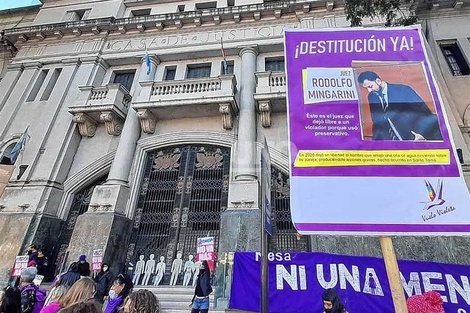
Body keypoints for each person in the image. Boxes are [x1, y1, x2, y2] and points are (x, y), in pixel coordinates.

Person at [357, 71, 442, 141]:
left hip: (414, 136)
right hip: (392, 142)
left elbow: (423, 112)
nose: (369, 90)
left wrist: (421, 133)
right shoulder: (372, 97)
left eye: (370, 86)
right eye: (366, 88)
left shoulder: (403, 90)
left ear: (378, 81)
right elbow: (377, 120)